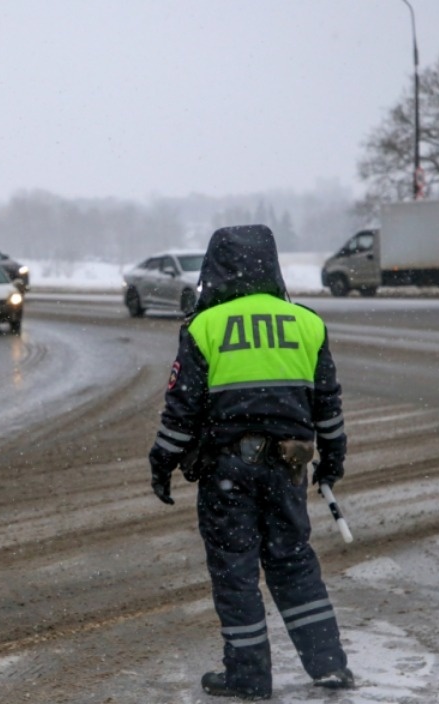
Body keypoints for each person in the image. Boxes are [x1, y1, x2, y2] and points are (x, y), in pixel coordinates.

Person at [148, 224, 354, 700]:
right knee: (294, 563)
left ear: (215, 267)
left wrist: (162, 462)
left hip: (228, 472)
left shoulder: (204, 326)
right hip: (289, 467)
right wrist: (333, 460)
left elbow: (181, 411)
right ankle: (328, 665)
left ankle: (248, 677)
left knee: (235, 571)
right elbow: (327, 404)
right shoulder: (306, 322)